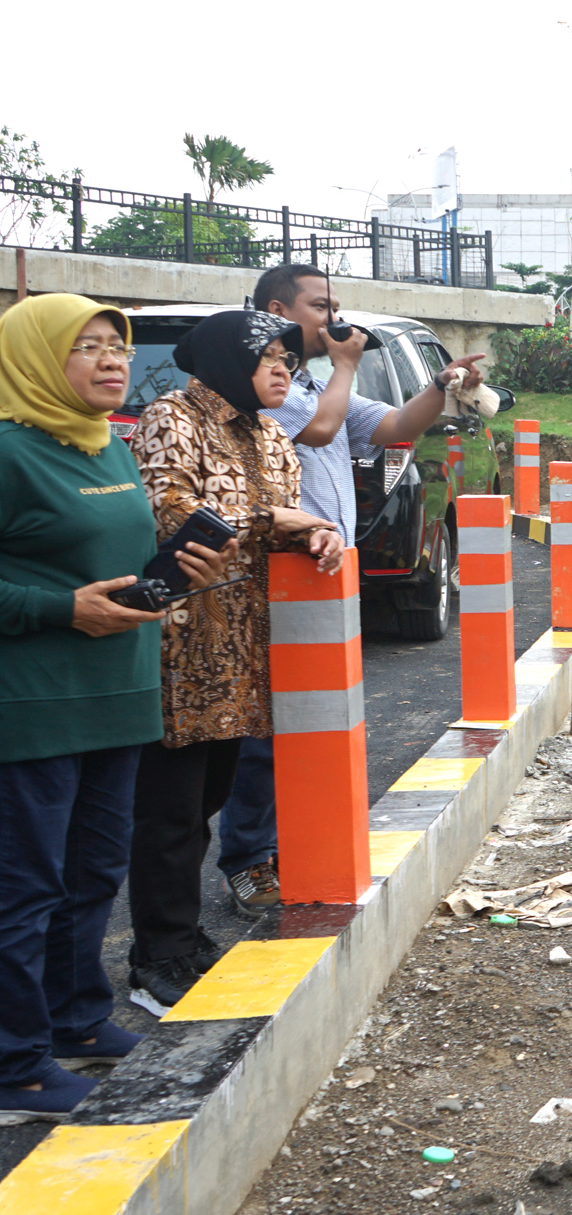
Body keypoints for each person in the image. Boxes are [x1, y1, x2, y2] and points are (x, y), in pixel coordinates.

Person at [0, 295, 231, 1120]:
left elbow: (118, 562)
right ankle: (15, 1066)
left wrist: (171, 575)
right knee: (24, 885)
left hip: (121, 697)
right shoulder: (9, 451)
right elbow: (51, 590)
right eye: (85, 347)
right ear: (33, 359)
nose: (110, 361)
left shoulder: (111, 445)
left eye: (117, 347)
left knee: (94, 870)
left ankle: (76, 1018)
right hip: (34, 707)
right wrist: (61, 609)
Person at [211, 265, 486, 916]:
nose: (335, 316)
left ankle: (294, 844)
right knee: (266, 731)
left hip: (322, 574)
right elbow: (323, 430)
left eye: (337, 304)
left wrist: (441, 389)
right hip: (272, 571)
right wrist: (346, 365)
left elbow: (390, 426)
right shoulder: (265, 385)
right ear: (278, 308)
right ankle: (250, 856)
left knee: (314, 721)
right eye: (320, 304)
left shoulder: (309, 381)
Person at [127, 311, 343, 1014]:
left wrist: (317, 539)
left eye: (288, 359)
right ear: (228, 360)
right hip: (183, 644)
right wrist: (273, 521)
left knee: (209, 799)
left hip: (246, 648)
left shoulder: (271, 434)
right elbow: (169, 513)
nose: (284, 370)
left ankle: (184, 940)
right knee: (170, 810)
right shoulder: (174, 415)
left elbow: (289, 521)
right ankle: (155, 955)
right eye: (270, 358)